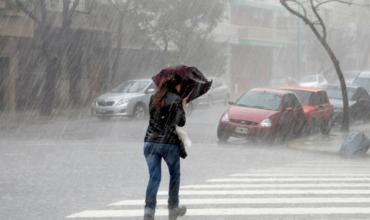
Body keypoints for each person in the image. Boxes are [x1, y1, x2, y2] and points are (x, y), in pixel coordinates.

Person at [143, 74, 188, 220]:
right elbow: (180, 122)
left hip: (150, 142)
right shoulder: (176, 100)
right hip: (168, 143)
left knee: (154, 178)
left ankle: (149, 211)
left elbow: (154, 118)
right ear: (176, 86)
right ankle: (173, 207)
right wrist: (182, 106)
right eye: (181, 86)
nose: (181, 88)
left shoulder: (153, 98)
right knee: (174, 175)